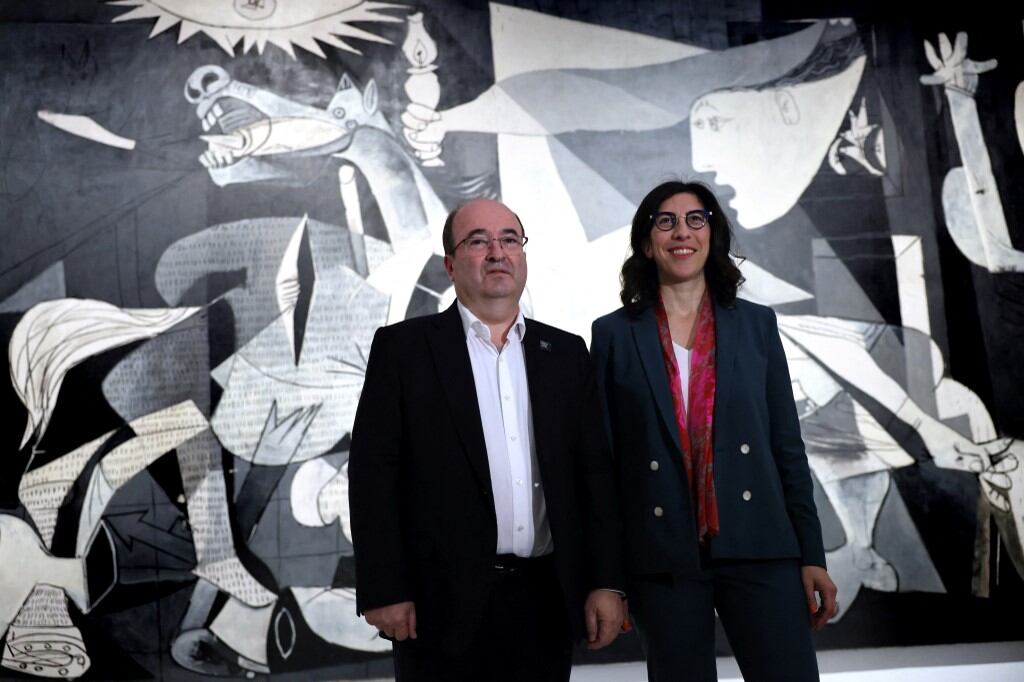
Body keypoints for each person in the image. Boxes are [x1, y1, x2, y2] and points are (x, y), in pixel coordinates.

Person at [348, 198, 626, 681]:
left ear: (522, 255)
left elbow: (594, 477)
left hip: (546, 600)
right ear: (451, 265)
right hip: (440, 604)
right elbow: (373, 475)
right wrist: (383, 588)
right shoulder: (404, 351)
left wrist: (606, 583)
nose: (497, 252)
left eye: (509, 240)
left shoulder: (564, 353)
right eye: (478, 241)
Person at [590, 181, 838, 682]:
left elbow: (786, 447)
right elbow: (604, 468)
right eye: (666, 221)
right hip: (662, 553)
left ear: (713, 235)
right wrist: (609, 579)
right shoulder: (613, 334)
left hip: (760, 544)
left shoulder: (756, 325)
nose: (682, 232)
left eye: (695, 220)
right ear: (645, 241)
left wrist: (810, 552)